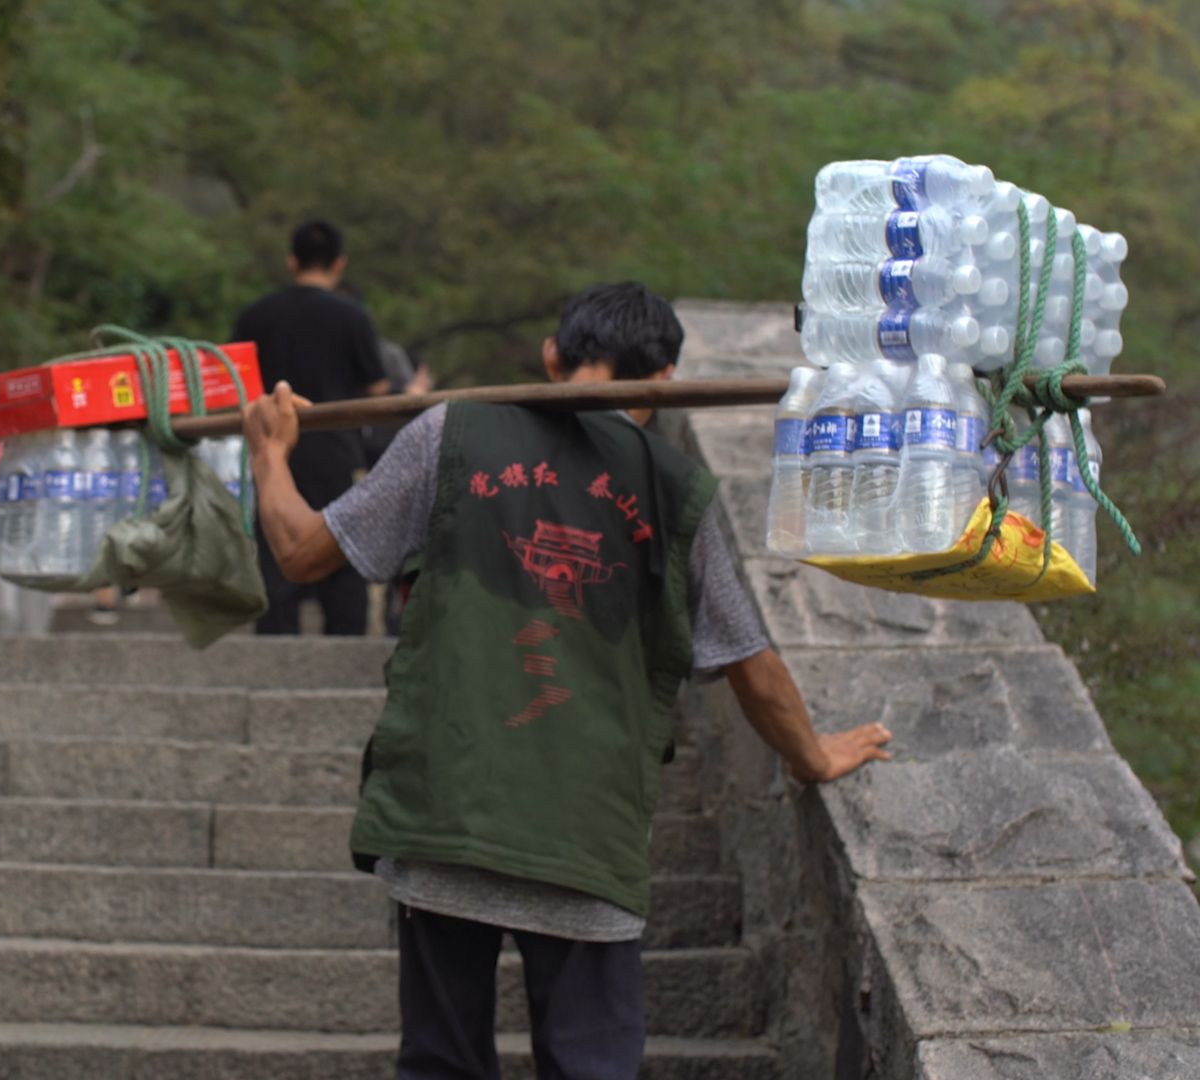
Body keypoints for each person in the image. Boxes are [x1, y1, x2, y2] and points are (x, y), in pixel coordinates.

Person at [242, 282, 893, 1080]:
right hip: (585, 832)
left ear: (554, 357)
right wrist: (813, 757)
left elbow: (303, 551)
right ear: (666, 379)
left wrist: (270, 455)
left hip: (447, 810)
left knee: (442, 1065)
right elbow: (750, 665)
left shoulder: (449, 432)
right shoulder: (675, 493)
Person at [231, 219, 389, 635]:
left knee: (274, 552)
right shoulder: (352, 316)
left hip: (273, 452)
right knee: (344, 548)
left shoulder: (256, 316)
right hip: (338, 452)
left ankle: (276, 650)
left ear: (292, 261)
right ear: (339, 264)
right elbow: (378, 386)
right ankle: (344, 649)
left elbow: (237, 387)